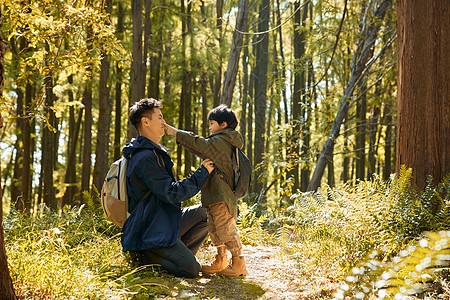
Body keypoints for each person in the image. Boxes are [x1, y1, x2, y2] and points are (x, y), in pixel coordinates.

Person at [121, 98, 215, 278]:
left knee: (206, 211)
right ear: (145, 121)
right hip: (149, 229)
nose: (164, 122)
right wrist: (202, 172)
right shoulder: (145, 158)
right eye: (160, 117)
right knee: (192, 270)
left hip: (162, 220)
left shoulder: (154, 152)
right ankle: (147, 258)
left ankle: (177, 252)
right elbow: (171, 193)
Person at [164, 104, 248, 277]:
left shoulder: (221, 141)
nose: (209, 127)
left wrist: (176, 133)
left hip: (221, 195)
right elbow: (201, 148)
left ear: (223, 124)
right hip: (214, 194)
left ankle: (239, 262)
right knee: (215, 228)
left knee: (226, 229)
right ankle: (220, 260)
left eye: (211, 124)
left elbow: (200, 144)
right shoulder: (221, 142)